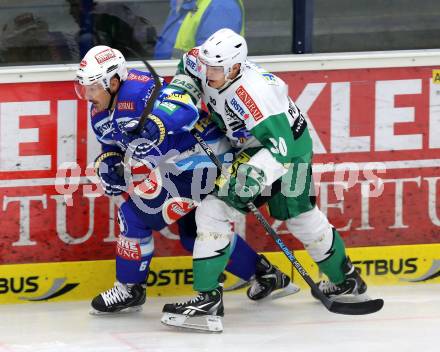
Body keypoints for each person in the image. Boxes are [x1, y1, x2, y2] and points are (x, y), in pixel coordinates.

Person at [139, 28, 370, 332]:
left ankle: (343, 279)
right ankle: (346, 279)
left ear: (235, 67)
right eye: (207, 65)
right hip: (260, 144)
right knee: (273, 215)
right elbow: (188, 72)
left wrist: (252, 176)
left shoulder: (254, 93)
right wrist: (182, 99)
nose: (209, 73)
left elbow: (281, 148)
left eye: (217, 69)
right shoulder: (203, 61)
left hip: (281, 150)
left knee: (242, 213)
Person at [74, 45, 298, 314]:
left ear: (113, 81)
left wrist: (157, 124)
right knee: (193, 236)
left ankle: (129, 290)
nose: (87, 95)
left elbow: (185, 107)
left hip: (201, 157)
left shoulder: (139, 89)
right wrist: (108, 165)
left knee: (132, 216)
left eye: (92, 87)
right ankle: (266, 275)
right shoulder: (99, 109)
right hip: (179, 165)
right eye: (83, 87)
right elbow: (110, 145)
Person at [154, 0, 244, 59]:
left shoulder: (221, 6)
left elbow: (211, 64)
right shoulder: (183, 3)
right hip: (165, 79)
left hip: (184, 83)